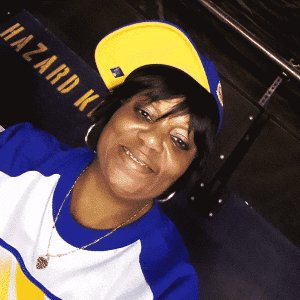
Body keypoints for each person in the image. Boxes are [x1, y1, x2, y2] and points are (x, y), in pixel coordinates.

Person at [0, 22, 223, 299]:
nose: (152, 140)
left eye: (179, 141)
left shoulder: (166, 283)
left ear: (187, 170)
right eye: (145, 113)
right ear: (113, 110)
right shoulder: (15, 153)